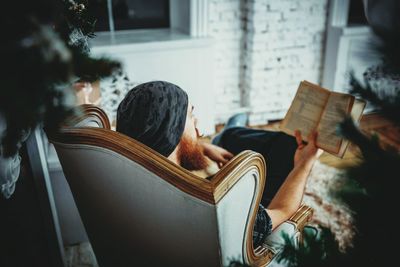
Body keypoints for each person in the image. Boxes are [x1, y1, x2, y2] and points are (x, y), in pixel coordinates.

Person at [116, 81, 322, 247]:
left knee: (229, 138)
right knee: (286, 146)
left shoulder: (118, 174)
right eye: (191, 115)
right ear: (173, 131)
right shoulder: (221, 204)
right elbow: (283, 212)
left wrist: (202, 147)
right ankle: (232, 128)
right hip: (259, 206)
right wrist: (304, 163)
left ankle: (229, 130)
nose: (197, 125)